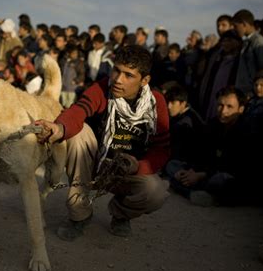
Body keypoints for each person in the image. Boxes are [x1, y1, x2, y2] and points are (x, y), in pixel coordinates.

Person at [35, 45, 170, 241]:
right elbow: (80, 109)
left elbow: (162, 149)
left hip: (127, 172)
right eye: (116, 70)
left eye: (128, 75)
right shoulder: (102, 88)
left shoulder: (156, 104)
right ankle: (80, 215)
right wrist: (60, 128)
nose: (118, 79)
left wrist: (137, 166)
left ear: (145, 80)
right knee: (77, 134)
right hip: (94, 165)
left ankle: (121, 214)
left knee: (156, 192)